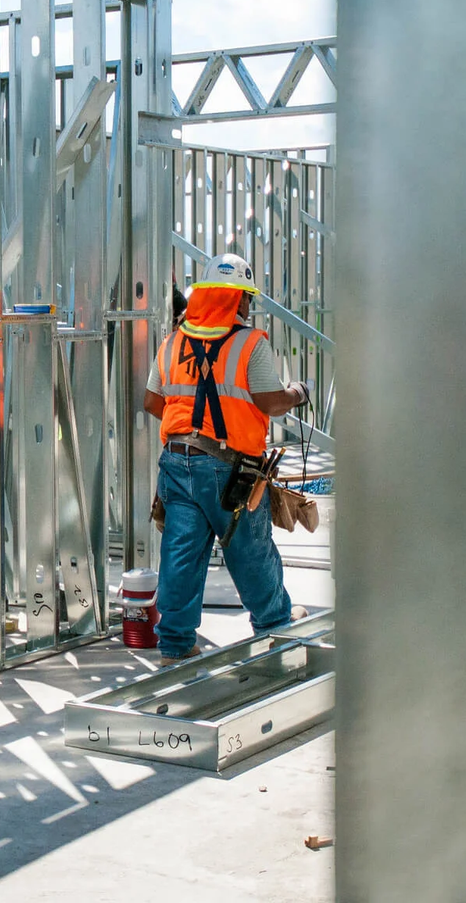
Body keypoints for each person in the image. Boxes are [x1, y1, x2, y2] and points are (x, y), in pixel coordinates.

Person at [143, 252, 312, 665]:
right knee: (250, 550)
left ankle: (175, 643)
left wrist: (192, 425)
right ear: (234, 299)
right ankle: (275, 627)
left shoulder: (175, 341)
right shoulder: (250, 344)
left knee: (181, 552)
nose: (249, 306)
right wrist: (298, 392)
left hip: (177, 463)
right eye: (246, 297)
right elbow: (270, 402)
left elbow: (151, 400)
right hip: (229, 469)